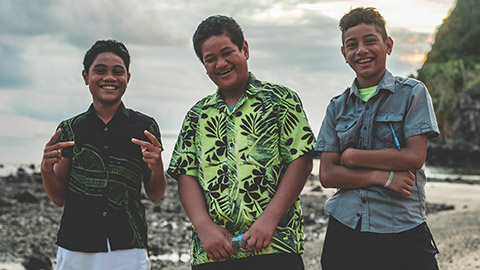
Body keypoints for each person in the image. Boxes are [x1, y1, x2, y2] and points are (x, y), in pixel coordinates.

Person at [168, 15, 316, 270]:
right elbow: (186, 174)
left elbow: (301, 160)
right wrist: (203, 227)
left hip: (275, 245)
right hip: (215, 251)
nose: (221, 64)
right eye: (210, 59)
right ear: (204, 65)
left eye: (227, 53)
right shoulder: (197, 115)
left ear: (244, 49)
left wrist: (270, 218)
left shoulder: (281, 100)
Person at [315, 7, 440, 270]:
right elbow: (327, 174)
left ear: (388, 45)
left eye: (370, 40)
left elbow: (414, 157)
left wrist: (352, 157)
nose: (361, 50)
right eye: (352, 45)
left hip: (402, 225)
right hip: (347, 225)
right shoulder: (337, 107)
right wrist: (381, 177)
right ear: (344, 55)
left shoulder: (412, 94)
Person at [40, 39, 167, 270]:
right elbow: (59, 199)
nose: (109, 77)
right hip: (76, 242)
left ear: (128, 78)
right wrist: (45, 169)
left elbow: (156, 194)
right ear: (86, 76)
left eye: (118, 71)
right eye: (100, 71)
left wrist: (157, 165)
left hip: (128, 244)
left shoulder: (145, 127)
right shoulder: (69, 129)